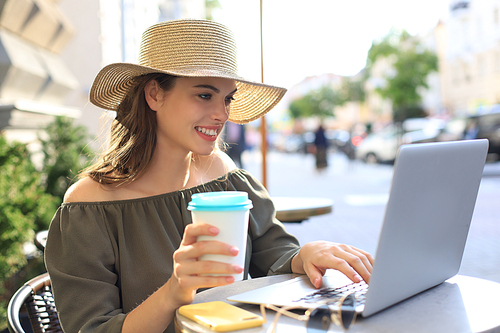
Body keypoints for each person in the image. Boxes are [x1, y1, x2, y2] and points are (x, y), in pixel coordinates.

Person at [44, 19, 373, 333]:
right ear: (154, 94)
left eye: (227, 98)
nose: (221, 114)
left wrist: (308, 254)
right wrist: (174, 291)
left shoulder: (225, 176)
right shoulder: (89, 207)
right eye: (204, 95)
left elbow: (275, 257)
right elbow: (92, 327)